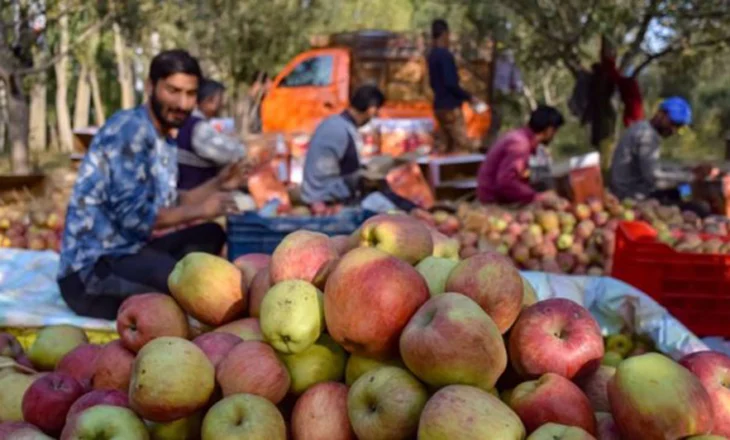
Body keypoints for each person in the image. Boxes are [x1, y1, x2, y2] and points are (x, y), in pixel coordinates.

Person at [57, 50, 251, 320]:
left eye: (190, 94)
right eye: (173, 91)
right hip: (91, 273)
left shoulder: (164, 137)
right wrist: (201, 209)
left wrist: (219, 183)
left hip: (131, 251)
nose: (182, 104)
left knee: (210, 234)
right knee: (181, 283)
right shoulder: (130, 131)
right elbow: (135, 218)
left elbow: (172, 201)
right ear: (151, 86)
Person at [300, 85, 417, 212]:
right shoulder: (345, 130)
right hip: (327, 197)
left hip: (314, 193)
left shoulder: (332, 122)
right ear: (372, 109)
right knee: (382, 202)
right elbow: (354, 175)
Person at [477, 105, 565, 205]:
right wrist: (538, 197)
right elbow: (506, 182)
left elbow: (519, 173)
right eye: (555, 131)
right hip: (493, 201)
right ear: (549, 130)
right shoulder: (520, 144)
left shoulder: (519, 137)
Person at [609, 97, 693, 201]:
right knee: (686, 190)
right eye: (672, 123)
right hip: (630, 194)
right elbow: (654, 178)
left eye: (678, 127)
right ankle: (686, 206)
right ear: (661, 114)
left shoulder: (642, 127)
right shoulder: (648, 136)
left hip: (627, 188)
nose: (673, 130)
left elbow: (652, 164)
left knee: (683, 186)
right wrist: (688, 178)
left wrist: (683, 169)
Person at [177, 78, 246, 190]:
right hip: (196, 196)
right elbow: (228, 154)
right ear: (208, 100)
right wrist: (248, 149)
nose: (222, 105)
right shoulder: (199, 128)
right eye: (220, 100)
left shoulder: (187, 123)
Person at [427, 19, 484, 153]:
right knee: (462, 147)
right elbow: (451, 83)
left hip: (438, 106)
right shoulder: (445, 55)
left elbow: (432, 83)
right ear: (445, 34)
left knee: (445, 146)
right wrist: (469, 97)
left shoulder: (431, 56)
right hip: (451, 107)